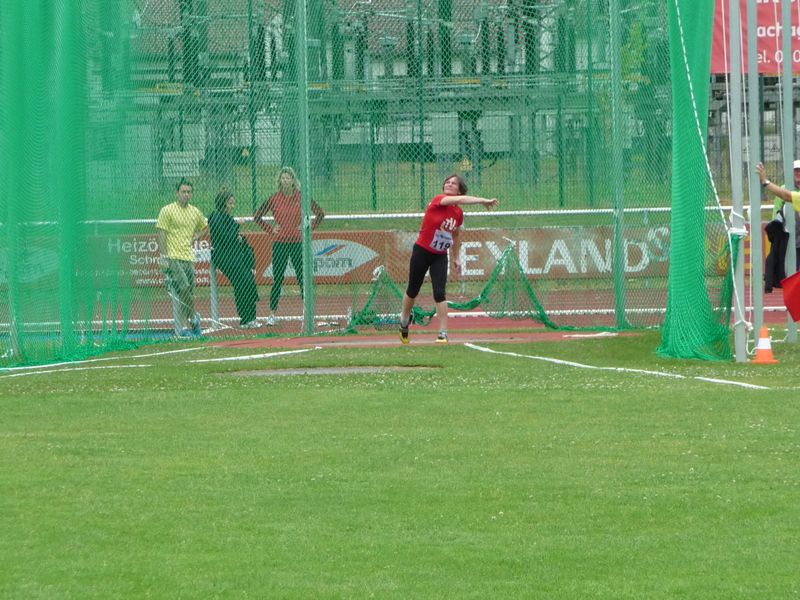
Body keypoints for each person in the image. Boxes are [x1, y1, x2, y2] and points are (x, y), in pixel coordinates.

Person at [399, 173, 499, 344]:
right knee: (413, 289)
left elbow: (456, 235)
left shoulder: (458, 213)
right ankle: (404, 320)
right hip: (422, 251)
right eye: (447, 182)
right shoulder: (439, 200)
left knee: (439, 293)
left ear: (459, 190)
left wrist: (457, 257)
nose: (449, 184)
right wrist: (482, 201)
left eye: (454, 183)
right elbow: (459, 200)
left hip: (439, 256)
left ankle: (443, 333)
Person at [253, 167, 325, 325]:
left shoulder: (301, 197)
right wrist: (271, 229)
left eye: (288, 178)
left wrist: (308, 227)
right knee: (278, 278)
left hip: (297, 243)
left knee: (302, 277)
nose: (285, 181)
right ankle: (272, 314)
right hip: (280, 243)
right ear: (279, 181)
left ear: (293, 180)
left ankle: (308, 312)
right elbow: (257, 217)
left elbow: (320, 214)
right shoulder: (274, 199)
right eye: (283, 178)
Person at [156, 178, 208, 337]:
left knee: (189, 293)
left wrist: (197, 236)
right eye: (183, 191)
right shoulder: (167, 210)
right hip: (173, 256)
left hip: (188, 256)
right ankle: (192, 319)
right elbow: (162, 233)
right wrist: (164, 256)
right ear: (177, 193)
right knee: (183, 288)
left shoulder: (195, 211)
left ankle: (191, 323)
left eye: (189, 192)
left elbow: (205, 226)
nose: (186, 194)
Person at [208, 189, 260, 328]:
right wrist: (237, 226)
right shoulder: (216, 217)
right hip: (225, 258)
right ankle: (246, 319)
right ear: (223, 203)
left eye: (233, 203)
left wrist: (238, 236)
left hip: (235, 256)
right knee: (244, 282)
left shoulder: (229, 218)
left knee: (245, 283)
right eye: (230, 203)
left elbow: (233, 236)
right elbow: (224, 237)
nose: (232, 206)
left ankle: (250, 318)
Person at [757, 162, 800, 290]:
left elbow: (786, 196)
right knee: (789, 277)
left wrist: (765, 182)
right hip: (792, 241)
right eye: (796, 170)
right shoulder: (786, 189)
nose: (798, 173)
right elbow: (781, 205)